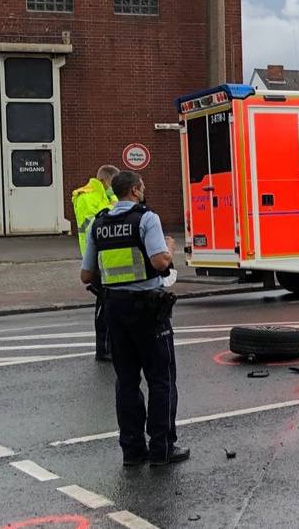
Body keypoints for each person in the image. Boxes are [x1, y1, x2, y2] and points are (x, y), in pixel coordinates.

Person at [80, 171, 189, 467]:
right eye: (143, 187)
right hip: (148, 310)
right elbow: (159, 261)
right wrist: (170, 248)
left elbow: (86, 275)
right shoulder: (146, 218)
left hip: (114, 309)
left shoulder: (99, 224)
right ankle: (162, 449)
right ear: (136, 190)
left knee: (126, 381)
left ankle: (132, 451)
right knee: (161, 379)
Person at [72, 165, 120, 361]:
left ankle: (111, 345)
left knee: (111, 304)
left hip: (110, 256)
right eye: (113, 184)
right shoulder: (86, 196)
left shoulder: (109, 197)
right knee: (103, 305)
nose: (114, 189)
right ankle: (103, 348)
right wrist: (114, 209)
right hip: (95, 257)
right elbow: (92, 224)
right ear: (104, 181)